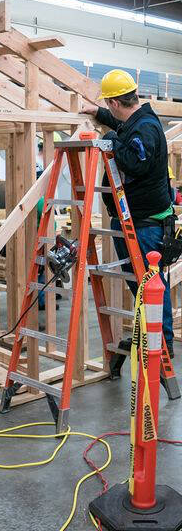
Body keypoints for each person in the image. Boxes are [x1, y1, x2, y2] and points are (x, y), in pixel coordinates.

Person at [81, 69, 175, 357]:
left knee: (152, 287)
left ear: (115, 102)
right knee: (142, 286)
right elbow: (123, 126)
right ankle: (154, 338)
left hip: (145, 224)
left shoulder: (145, 128)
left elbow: (136, 163)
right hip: (135, 220)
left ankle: (163, 347)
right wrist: (97, 112)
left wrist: (108, 141)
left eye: (108, 105)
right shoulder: (137, 120)